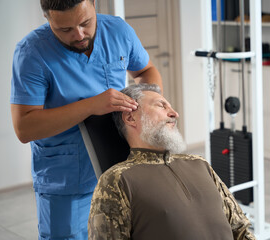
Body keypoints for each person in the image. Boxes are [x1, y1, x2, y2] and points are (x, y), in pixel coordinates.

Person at [10, 0, 162, 239]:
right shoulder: (31, 53)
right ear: (47, 18)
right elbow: (24, 127)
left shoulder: (118, 31)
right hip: (67, 181)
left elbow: (145, 72)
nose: (79, 35)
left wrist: (148, 106)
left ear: (93, 4)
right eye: (65, 30)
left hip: (119, 168)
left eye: (86, 23)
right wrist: (91, 105)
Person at [88, 83, 256, 240]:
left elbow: (240, 229)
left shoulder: (199, 164)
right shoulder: (117, 180)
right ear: (130, 118)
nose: (174, 113)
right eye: (161, 106)